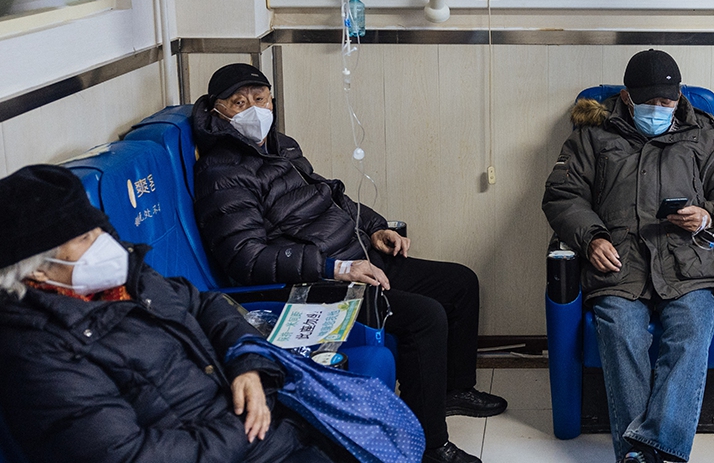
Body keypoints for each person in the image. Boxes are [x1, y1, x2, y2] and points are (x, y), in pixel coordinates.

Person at [190, 63, 505, 463]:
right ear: (217, 111)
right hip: (316, 283)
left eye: (260, 98)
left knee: (460, 283)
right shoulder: (221, 172)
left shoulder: (281, 146)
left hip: (356, 255)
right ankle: (430, 447)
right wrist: (335, 268)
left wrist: (374, 227)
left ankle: (452, 391)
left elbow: (330, 195)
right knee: (424, 316)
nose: (253, 109)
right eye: (239, 103)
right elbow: (245, 259)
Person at [0, 164, 345, 463]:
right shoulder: (36, 352)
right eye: (85, 239)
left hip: (269, 431)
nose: (105, 244)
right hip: (247, 443)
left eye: (98, 229)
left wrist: (248, 365)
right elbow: (127, 454)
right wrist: (246, 425)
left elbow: (204, 304)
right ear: (37, 270)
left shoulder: (126, 279)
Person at [542, 49, 714, 463]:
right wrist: (591, 238)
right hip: (618, 263)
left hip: (689, 263)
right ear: (628, 98)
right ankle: (646, 454)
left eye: (668, 101)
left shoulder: (707, 135)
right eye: (650, 102)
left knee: (691, 331)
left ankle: (648, 453)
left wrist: (709, 215)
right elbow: (562, 196)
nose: (660, 109)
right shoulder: (593, 135)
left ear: (679, 97)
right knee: (621, 332)